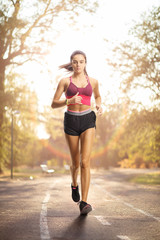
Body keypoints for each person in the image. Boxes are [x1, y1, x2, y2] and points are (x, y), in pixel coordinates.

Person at [51, 50, 102, 215]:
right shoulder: (65, 82)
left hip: (88, 120)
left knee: (85, 162)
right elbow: (53, 103)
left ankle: (84, 203)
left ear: (85, 63)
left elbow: (98, 96)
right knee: (74, 163)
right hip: (71, 121)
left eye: (81, 61)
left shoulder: (93, 81)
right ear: (71, 63)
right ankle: (74, 185)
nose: (78, 64)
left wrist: (99, 105)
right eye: (75, 62)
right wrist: (69, 101)